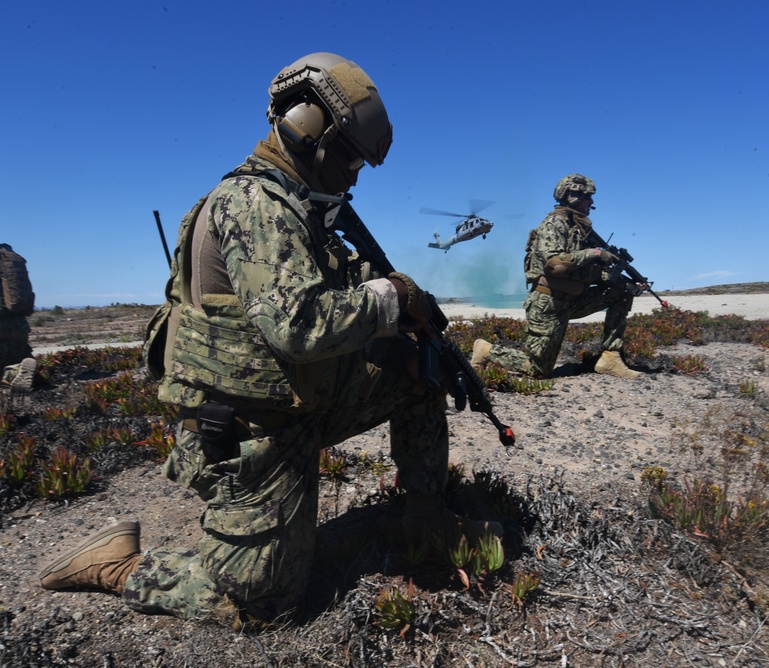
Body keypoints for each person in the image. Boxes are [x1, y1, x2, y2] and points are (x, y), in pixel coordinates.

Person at [38, 52, 498, 625]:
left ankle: (423, 517)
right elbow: (299, 325)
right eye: (351, 156)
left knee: (417, 370)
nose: (354, 173)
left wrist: (398, 309)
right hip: (247, 429)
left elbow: (327, 292)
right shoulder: (255, 204)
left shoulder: (300, 209)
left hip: (298, 403)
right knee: (262, 607)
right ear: (308, 130)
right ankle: (120, 564)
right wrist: (391, 299)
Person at [472, 174, 642, 379]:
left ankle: (609, 357)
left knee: (621, 291)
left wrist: (624, 281)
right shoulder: (554, 223)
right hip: (548, 305)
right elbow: (556, 266)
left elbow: (586, 273)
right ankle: (485, 350)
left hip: (573, 301)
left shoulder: (579, 230)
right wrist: (595, 253)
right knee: (538, 370)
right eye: (588, 197)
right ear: (573, 197)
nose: (592, 202)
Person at [0, 242, 37, 392]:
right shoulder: (11, 257)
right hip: (18, 322)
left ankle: (13, 373)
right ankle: (15, 371)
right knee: (17, 355)